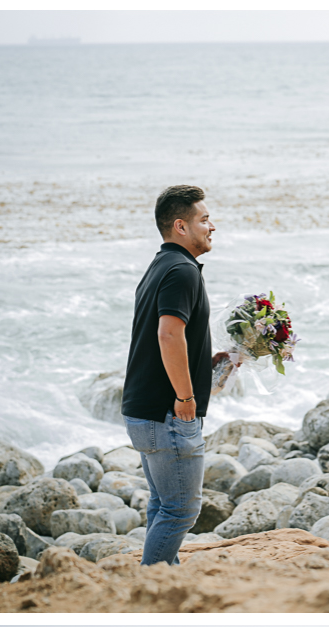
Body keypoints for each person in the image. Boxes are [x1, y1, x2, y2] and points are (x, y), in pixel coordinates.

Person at [121, 184, 222, 566]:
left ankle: (166, 580)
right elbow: (168, 334)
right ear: (181, 226)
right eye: (204, 219)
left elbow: (168, 337)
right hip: (168, 414)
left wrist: (213, 362)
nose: (212, 226)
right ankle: (152, 591)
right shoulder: (182, 271)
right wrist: (185, 397)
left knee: (163, 505)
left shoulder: (161, 265)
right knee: (181, 511)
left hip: (142, 410)